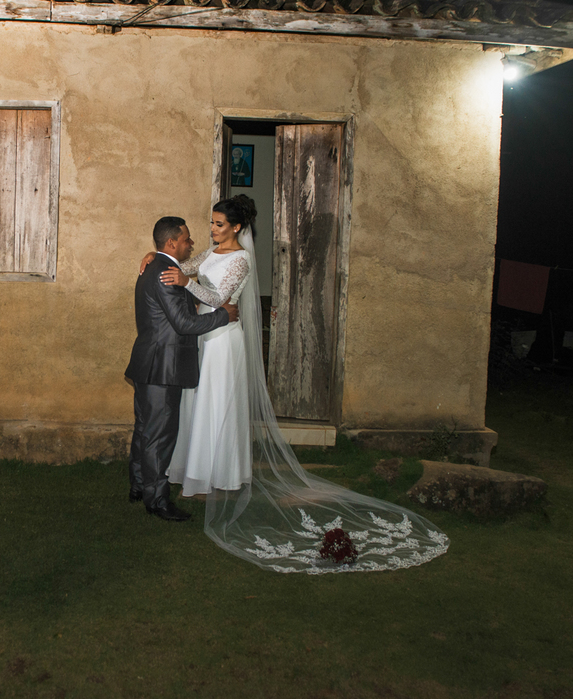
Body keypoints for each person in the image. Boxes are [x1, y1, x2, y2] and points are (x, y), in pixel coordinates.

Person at [141, 196, 449, 572]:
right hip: (203, 337)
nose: (212, 229)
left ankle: (219, 476)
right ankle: (197, 473)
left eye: (219, 224)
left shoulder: (242, 259)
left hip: (223, 341)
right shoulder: (209, 253)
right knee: (198, 405)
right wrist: (153, 258)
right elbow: (179, 265)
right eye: (211, 223)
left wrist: (188, 282)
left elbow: (219, 298)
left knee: (217, 405)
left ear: (237, 227)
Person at [125, 217, 238, 522]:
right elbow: (184, 323)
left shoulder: (158, 267)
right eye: (187, 239)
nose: (191, 243)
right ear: (172, 243)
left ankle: (139, 485)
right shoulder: (164, 273)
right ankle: (157, 500)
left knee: (145, 431)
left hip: (149, 361)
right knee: (159, 436)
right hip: (162, 366)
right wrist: (223, 316)